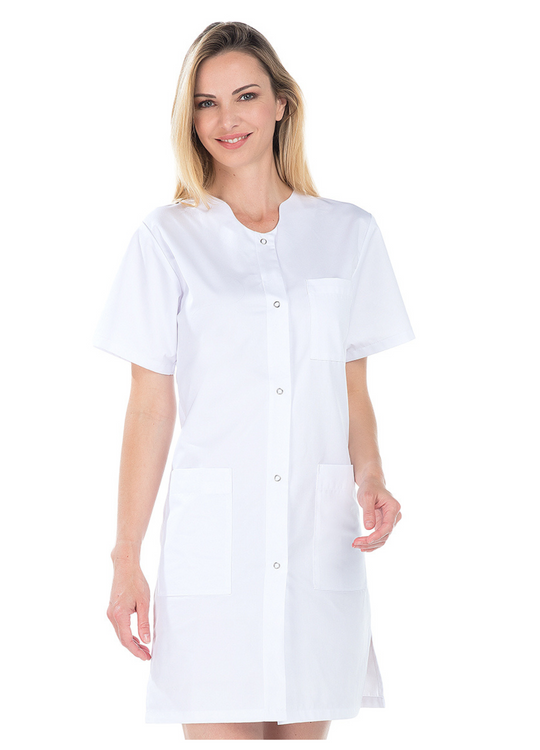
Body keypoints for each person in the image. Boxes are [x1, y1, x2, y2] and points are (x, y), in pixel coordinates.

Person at [92, 21, 415, 741]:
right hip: (216, 555)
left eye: (244, 96)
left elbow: (351, 389)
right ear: (190, 118)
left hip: (315, 543)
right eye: (206, 103)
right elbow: (149, 409)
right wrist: (125, 557)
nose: (226, 119)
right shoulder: (167, 238)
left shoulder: (348, 233)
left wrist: (371, 477)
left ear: (280, 104)